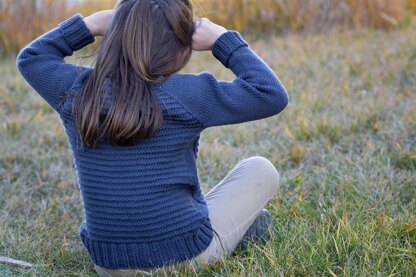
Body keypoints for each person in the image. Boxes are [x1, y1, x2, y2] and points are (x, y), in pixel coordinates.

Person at [16, 0, 288, 275]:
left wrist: (90, 24)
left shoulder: (77, 89)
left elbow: (31, 58)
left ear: (115, 36)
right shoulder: (188, 94)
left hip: (107, 264)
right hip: (181, 258)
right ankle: (234, 234)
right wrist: (222, 40)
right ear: (183, 47)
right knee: (259, 169)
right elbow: (270, 93)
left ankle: (236, 229)